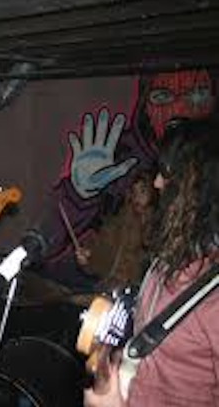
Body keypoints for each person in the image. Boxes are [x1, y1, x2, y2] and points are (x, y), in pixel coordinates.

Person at [83, 115, 219, 407]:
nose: (158, 182)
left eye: (167, 173)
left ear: (199, 186)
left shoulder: (213, 297)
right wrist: (115, 366)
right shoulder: (168, 260)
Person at [75, 171, 156, 290]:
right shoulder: (120, 222)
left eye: (142, 191)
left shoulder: (159, 224)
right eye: (134, 192)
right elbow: (102, 246)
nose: (137, 197)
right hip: (115, 288)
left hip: (144, 290)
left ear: (152, 191)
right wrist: (87, 257)